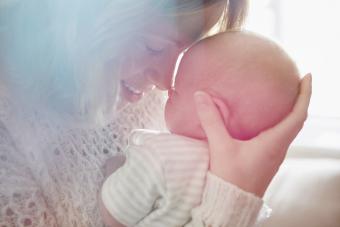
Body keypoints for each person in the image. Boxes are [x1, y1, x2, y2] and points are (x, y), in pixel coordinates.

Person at [0, 0, 311, 227]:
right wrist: (230, 207)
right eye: (153, 47)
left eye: (188, 51)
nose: (165, 83)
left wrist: (238, 192)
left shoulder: (152, 102)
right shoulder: (10, 140)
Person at [99, 31, 300, 227]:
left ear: (212, 112)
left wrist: (115, 171)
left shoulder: (161, 155)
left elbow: (114, 216)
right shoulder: (235, 185)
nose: (166, 87)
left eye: (175, 92)